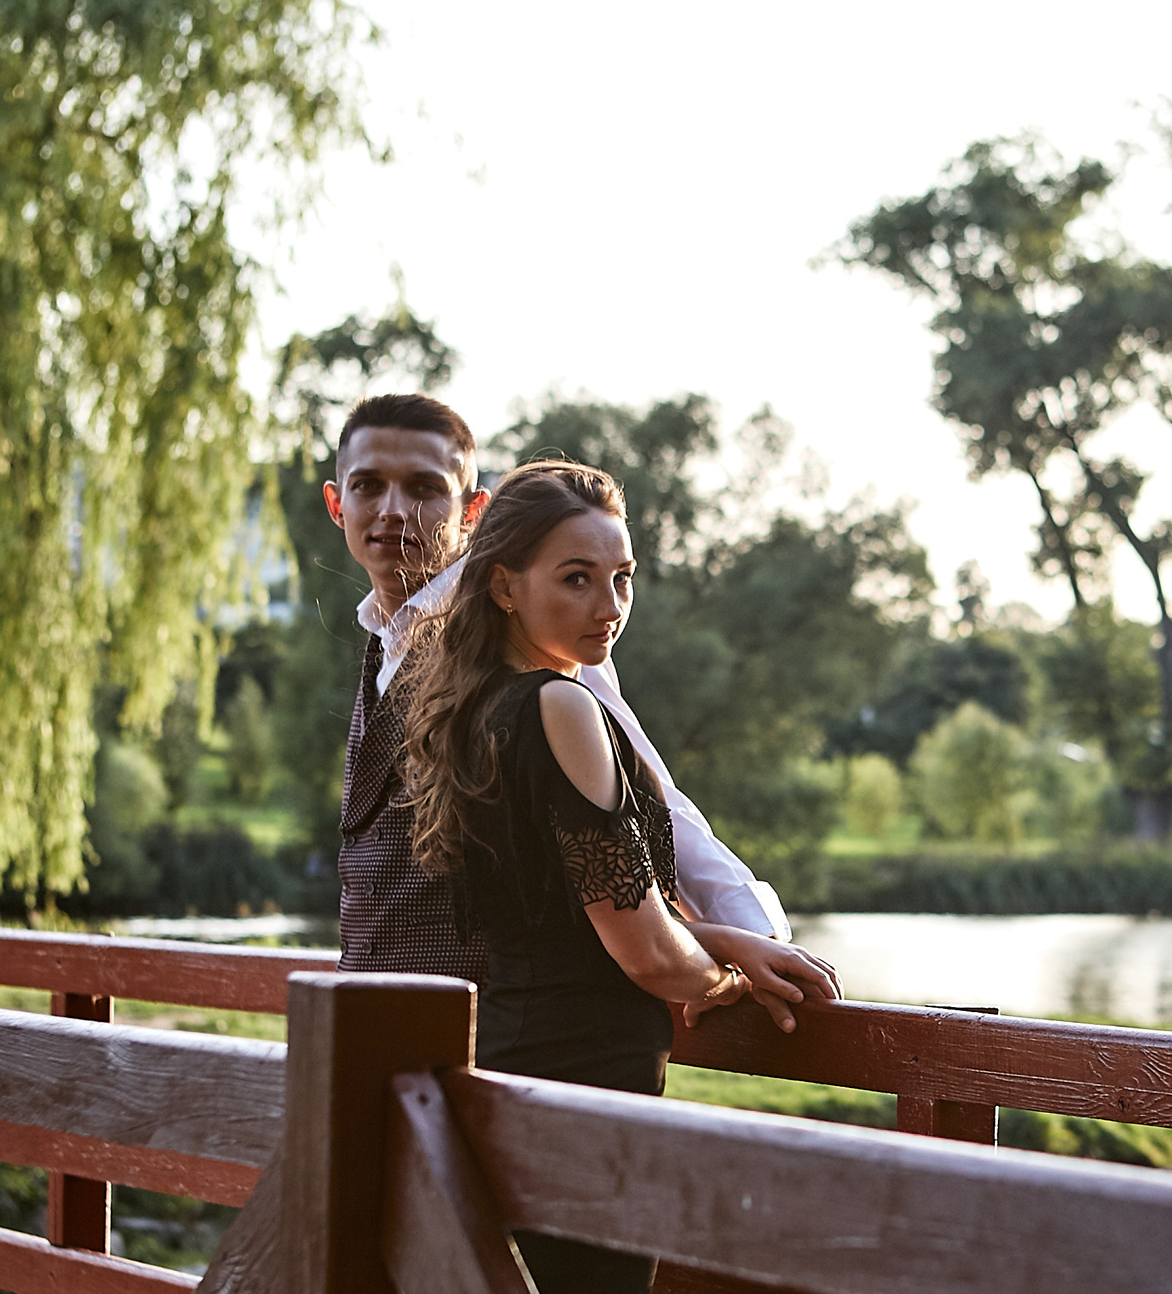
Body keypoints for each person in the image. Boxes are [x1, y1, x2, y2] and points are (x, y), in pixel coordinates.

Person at [401, 459, 823, 1294]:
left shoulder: (474, 708)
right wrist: (725, 981)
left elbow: (600, 906)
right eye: (575, 577)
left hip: (516, 1075)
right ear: (505, 581)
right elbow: (638, 945)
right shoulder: (562, 709)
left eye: (622, 577)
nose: (605, 603)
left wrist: (723, 941)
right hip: (586, 1098)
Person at [324, 393, 828, 1021]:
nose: (394, 512)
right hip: (377, 1022)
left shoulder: (542, 633)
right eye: (369, 486)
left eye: (425, 489)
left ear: (472, 511)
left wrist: (754, 936)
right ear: (337, 502)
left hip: (488, 1032)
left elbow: (651, 802)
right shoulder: (385, 636)